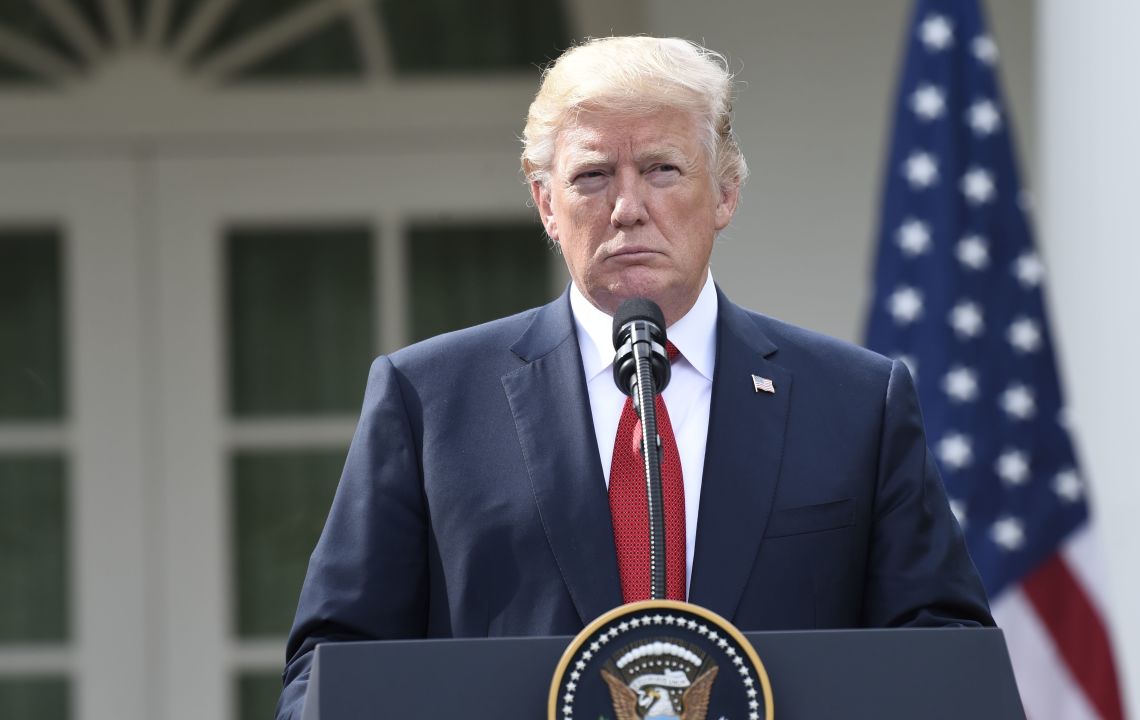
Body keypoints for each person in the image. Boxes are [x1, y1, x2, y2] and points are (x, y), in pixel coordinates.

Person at [277, 35, 992, 719]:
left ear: (726, 194)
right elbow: (333, 665)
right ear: (546, 205)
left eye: (662, 169)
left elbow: (942, 655)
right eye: (591, 176)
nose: (627, 208)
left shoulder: (857, 403)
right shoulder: (428, 400)